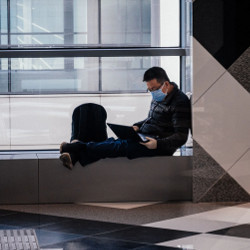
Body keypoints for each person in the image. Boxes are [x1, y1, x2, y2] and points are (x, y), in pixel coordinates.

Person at [59, 66, 191, 169]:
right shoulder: (161, 94)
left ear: (166, 84)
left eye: (154, 89)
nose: (152, 93)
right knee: (114, 143)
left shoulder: (180, 102)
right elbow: (151, 119)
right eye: (149, 90)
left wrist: (157, 144)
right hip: (146, 136)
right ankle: (73, 156)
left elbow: (181, 136)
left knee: (117, 147)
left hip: (159, 146)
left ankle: (74, 147)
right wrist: (138, 126)